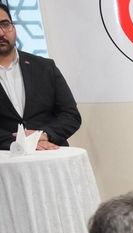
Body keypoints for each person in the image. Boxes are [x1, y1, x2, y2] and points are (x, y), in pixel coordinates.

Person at [0, 2, 79, 150]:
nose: (1, 33)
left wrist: (43, 134)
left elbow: (71, 115)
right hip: (6, 157)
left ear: (13, 26)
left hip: (50, 153)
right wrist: (19, 143)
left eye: (5, 24)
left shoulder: (45, 67)